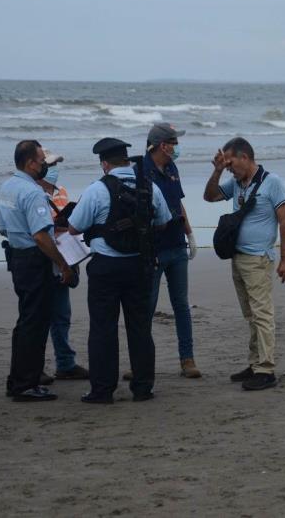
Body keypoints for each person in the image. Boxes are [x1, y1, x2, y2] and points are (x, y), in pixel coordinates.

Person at [68, 138, 172, 404]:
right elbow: (163, 221)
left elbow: (74, 227)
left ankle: (102, 390)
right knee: (140, 327)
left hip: (106, 266)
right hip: (140, 265)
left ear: (104, 164)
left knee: (103, 328)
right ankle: (143, 388)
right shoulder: (149, 186)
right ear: (127, 160)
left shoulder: (97, 189)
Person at [203, 137, 285, 391]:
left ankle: (266, 369)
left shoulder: (272, 182)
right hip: (238, 257)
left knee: (262, 313)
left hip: (258, 259)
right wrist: (218, 170)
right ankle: (254, 363)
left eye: (231, 162)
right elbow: (209, 196)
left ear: (245, 157)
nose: (229, 167)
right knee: (251, 315)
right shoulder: (236, 183)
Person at [0, 140, 74, 402]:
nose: (44, 165)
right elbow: (41, 236)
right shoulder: (33, 193)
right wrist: (62, 263)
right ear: (30, 163)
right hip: (34, 259)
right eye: (42, 161)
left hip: (17, 257)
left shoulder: (6, 187)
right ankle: (27, 384)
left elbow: (2, 227)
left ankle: (17, 379)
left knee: (25, 320)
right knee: (36, 323)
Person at [123, 123, 200, 381]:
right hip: (153, 250)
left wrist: (189, 233)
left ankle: (187, 359)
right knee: (146, 307)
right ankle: (139, 362)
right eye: (173, 142)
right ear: (160, 145)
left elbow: (178, 203)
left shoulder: (171, 168)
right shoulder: (139, 171)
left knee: (181, 305)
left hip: (177, 245)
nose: (176, 147)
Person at [34, 150, 89, 383]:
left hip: (65, 255)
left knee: (62, 314)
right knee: (38, 317)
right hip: (41, 258)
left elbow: (68, 225)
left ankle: (65, 363)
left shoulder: (61, 191)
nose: (55, 168)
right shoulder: (33, 192)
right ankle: (35, 367)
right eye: (52, 164)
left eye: (57, 164)